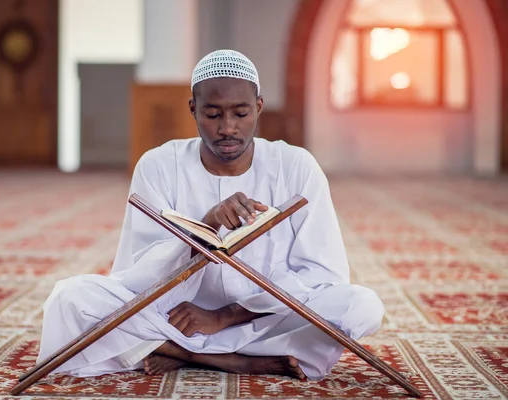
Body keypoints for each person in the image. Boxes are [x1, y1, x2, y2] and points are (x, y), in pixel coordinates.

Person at [37, 49, 385, 381]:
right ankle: (222, 359)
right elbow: (138, 273)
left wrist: (224, 316)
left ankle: (174, 353)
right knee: (70, 299)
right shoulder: (159, 165)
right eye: (213, 114)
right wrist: (208, 224)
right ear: (193, 109)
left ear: (259, 107)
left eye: (241, 113)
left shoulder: (295, 166)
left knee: (361, 306)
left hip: (264, 321)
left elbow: (322, 273)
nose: (228, 128)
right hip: (172, 318)